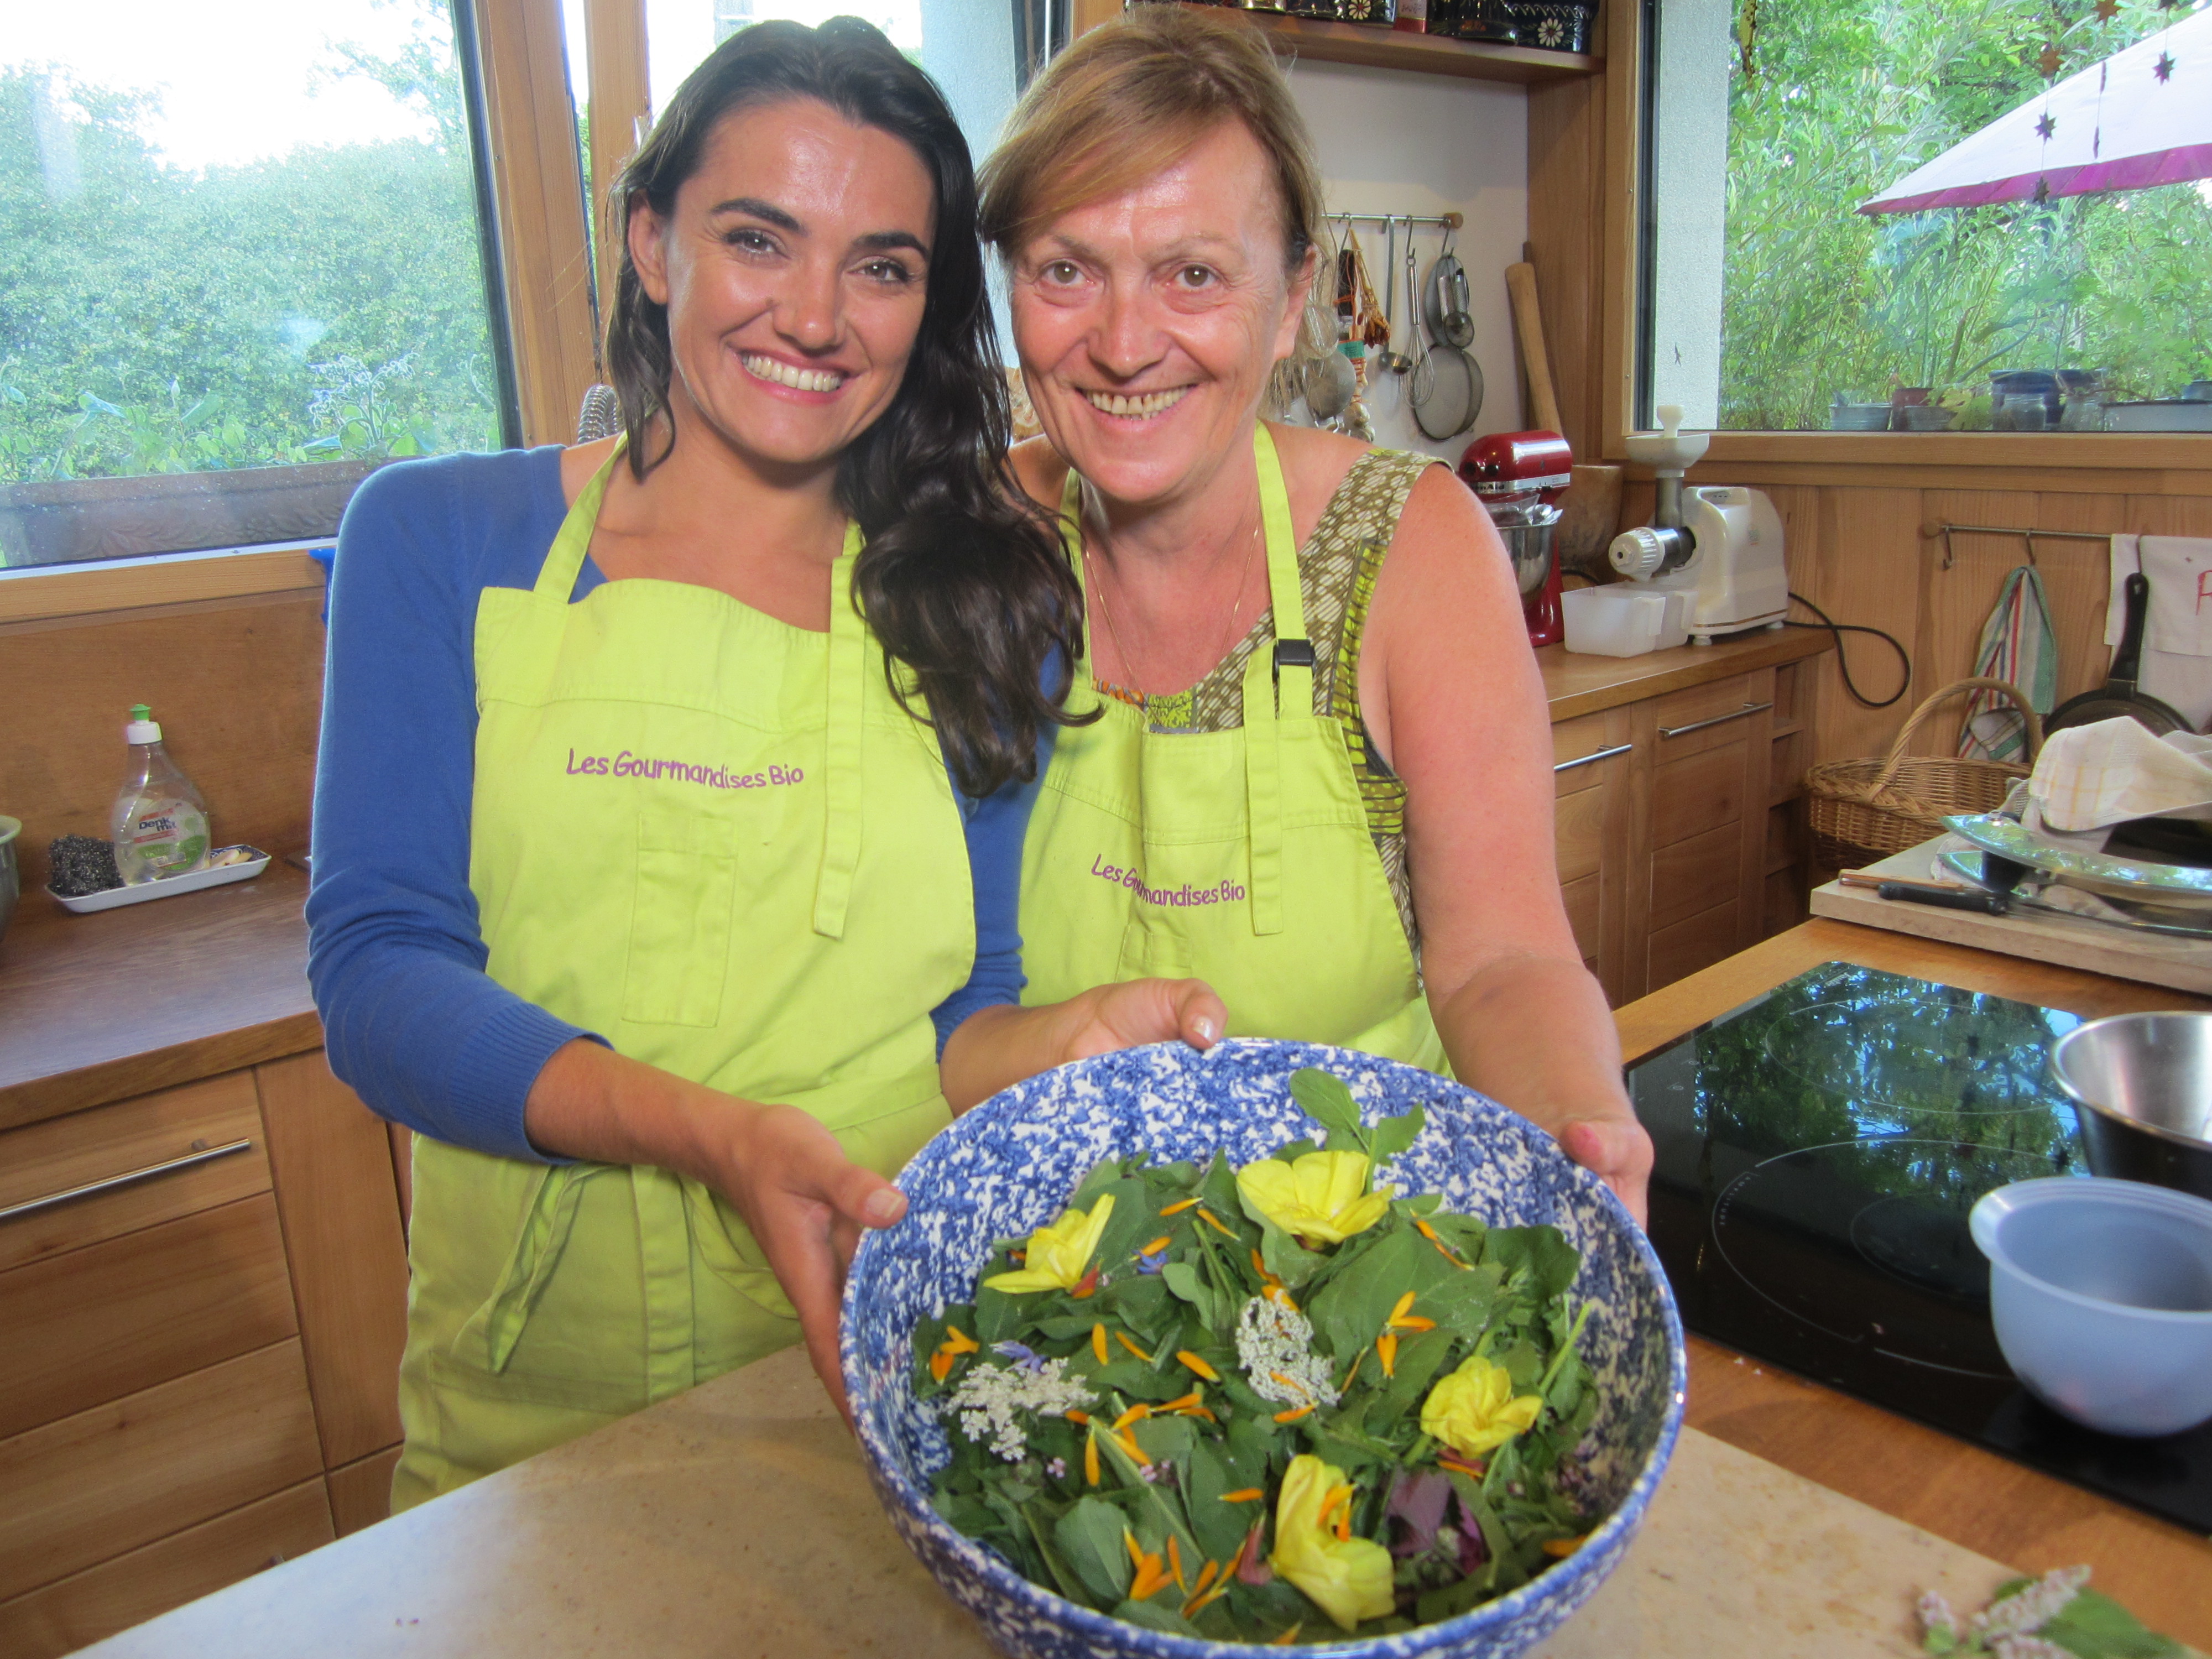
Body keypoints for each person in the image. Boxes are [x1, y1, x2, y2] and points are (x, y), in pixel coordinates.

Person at [308, 18, 1219, 1509]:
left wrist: (1062, 1039)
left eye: (881, 266)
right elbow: (379, 975)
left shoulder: (984, 600)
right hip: (531, 1425)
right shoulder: (434, 538)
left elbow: (962, 1013)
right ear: (652, 242)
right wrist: (710, 1134)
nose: (817, 317)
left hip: (885, 1378)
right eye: (758, 240)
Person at [978, 7, 1652, 1218]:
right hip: (1064, 1270)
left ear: (1291, 298)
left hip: (1371, 1256)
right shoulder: (981, 545)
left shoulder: (1410, 547)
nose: (1124, 344)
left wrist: (1582, 1132)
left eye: (1192, 274)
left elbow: (1501, 957)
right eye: (1066, 270)